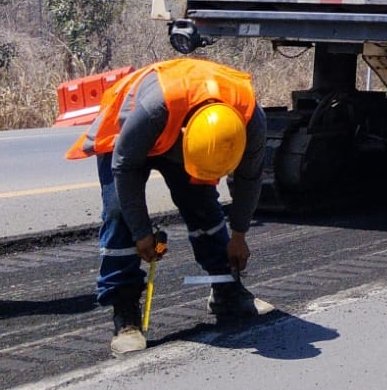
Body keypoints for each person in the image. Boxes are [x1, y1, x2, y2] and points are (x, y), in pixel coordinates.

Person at [66, 57, 271, 355]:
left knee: (201, 202)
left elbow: (250, 178)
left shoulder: (251, 119)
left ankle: (226, 288)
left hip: (183, 123)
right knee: (118, 212)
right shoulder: (154, 111)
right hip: (127, 133)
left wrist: (239, 235)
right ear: (186, 140)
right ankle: (125, 313)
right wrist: (141, 233)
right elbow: (124, 167)